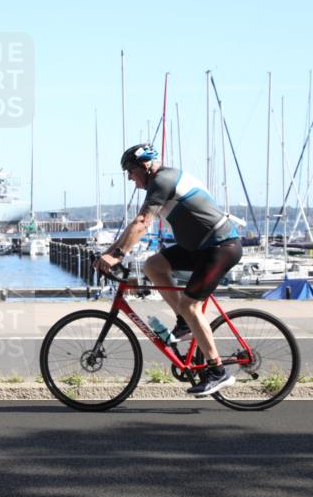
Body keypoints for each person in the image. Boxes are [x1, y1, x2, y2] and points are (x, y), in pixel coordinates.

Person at [94, 144, 243, 396]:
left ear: (144, 166)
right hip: (200, 247)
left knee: (190, 304)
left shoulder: (163, 180)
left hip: (220, 247)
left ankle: (218, 372)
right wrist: (110, 252)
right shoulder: (159, 182)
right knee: (153, 266)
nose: (129, 177)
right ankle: (184, 323)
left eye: (130, 171)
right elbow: (135, 224)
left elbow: (142, 223)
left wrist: (117, 255)